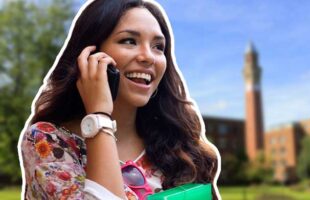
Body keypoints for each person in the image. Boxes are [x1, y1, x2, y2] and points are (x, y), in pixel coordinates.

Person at [18, 0, 220, 199]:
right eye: (129, 41)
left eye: (158, 46)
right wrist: (99, 117)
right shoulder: (47, 142)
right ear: (90, 54)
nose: (148, 57)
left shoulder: (179, 145)